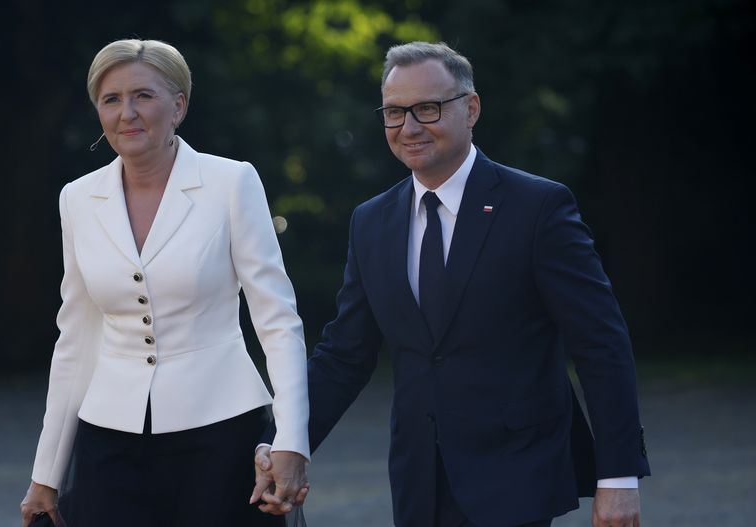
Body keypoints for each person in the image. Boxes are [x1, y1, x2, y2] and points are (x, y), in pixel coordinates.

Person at [253, 41, 650, 526]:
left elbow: (600, 344)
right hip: (419, 480)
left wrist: (618, 478)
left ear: (472, 108)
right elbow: (345, 354)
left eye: (428, 108)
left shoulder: (537, 208)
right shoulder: (372, 221)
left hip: (517, 475)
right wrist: (286, 442)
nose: (410, 127)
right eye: (395, 112)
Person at [19, 38, 310, 527]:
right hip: (108, 442)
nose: (127, 113)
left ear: (179, 106)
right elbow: (76, 338)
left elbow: (277, 320)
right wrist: (46, 472)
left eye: (143, 96)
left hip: (224, 433)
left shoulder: (232, 182)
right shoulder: (77, 198)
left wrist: (291, 440)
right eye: (111, 100)